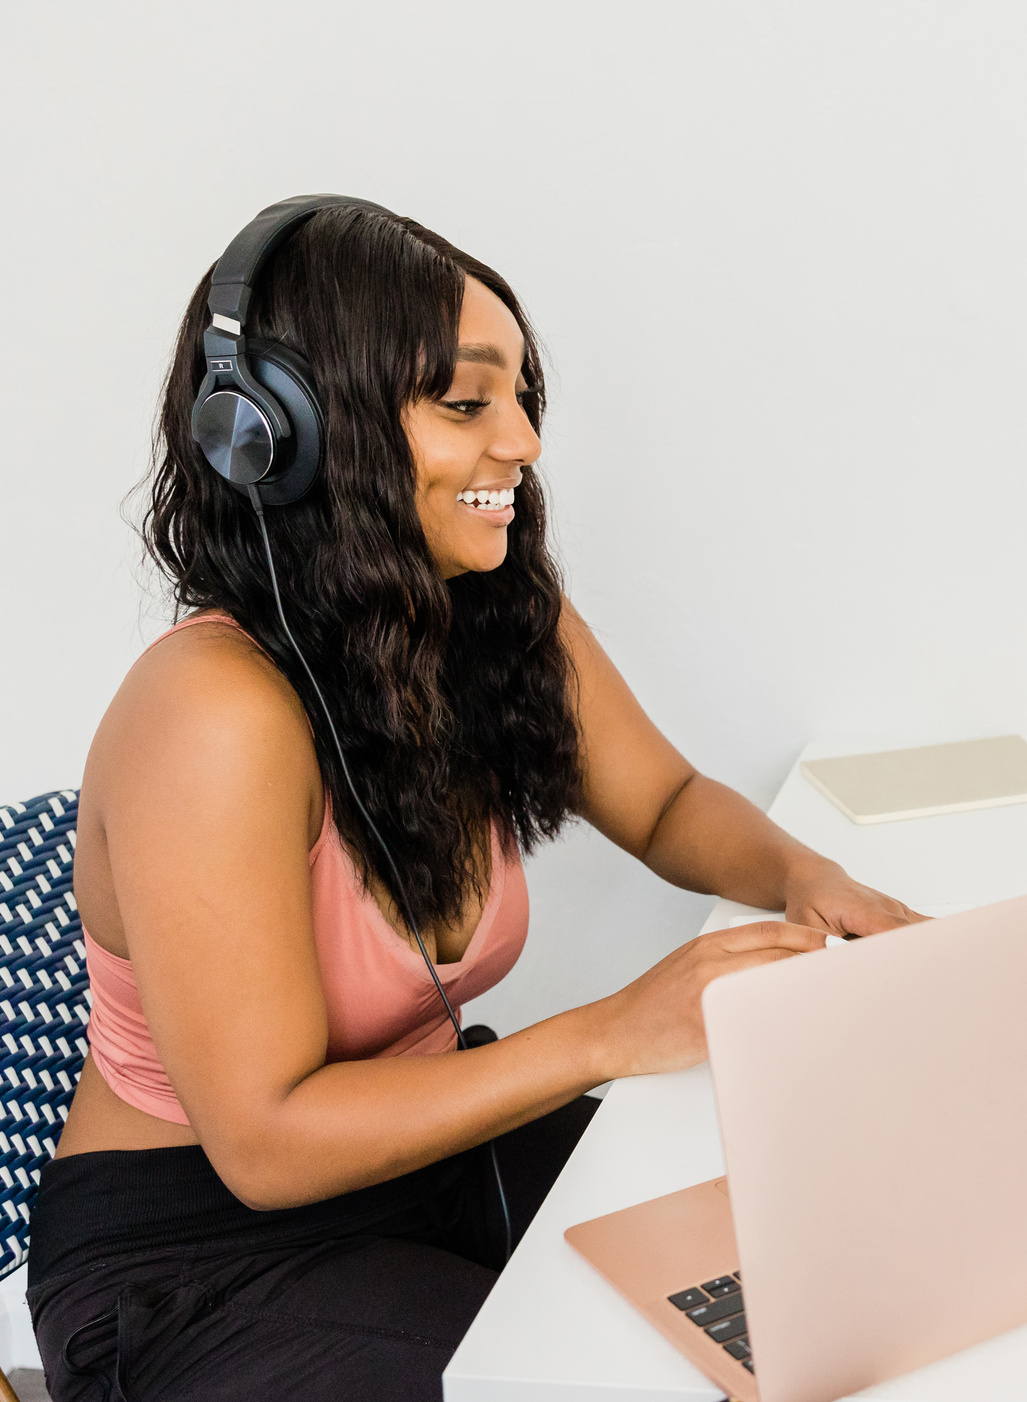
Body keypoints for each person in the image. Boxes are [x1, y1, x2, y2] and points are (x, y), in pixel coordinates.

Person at [29, 203, 921, 1400]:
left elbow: (663, 804)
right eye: (466, 402)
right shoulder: (210, 715)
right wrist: (614, 1028)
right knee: (618, 1380)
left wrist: (814, 881)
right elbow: (267, 1141)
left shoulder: (487, 610)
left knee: (833, 1246)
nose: (523, 441)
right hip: (199, 1258)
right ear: (287, 432)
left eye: (522, 396)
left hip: (427, 1164)